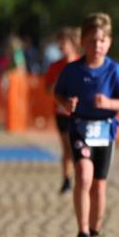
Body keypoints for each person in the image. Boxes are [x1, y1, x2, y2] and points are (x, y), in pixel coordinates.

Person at [53, 13, 119, 237]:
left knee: (99, 185)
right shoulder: (72, 70)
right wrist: (66, 104)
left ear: (109, 42)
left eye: (102, 40)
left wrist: (109, 102)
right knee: (83, 176)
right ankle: (81, 234)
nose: (97, 46)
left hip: (105, 131)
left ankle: (95, 234)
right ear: (82, 42)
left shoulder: (115, 71)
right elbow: (57, 95)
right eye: (91, 41)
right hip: (80, 128)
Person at [42, 27, 81, 194]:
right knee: (67, 147)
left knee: (78, 147)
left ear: (73, 44)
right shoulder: (55, 66)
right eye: (60, 42)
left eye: (64, 42)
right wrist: (58, 84)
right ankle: (67, 179)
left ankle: (81, 177)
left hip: (80, 113)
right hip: (61, 113)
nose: (61, 45)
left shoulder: (82, 63)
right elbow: (46, 89)